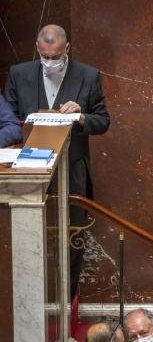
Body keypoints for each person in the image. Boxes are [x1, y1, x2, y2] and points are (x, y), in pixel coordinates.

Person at [4, 24, 110, 301]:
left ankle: (65, 301)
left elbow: (103, 122)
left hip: (72, 170)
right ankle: (30, 303)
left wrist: (82, 115)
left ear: (67, 49)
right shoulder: (19, 74)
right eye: (45, 56)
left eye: (56, 57)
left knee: (71, 241)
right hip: (29, 169)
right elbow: (9, 118)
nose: (50, 62)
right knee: (29, 239)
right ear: (38, 49)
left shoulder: (88, 75)